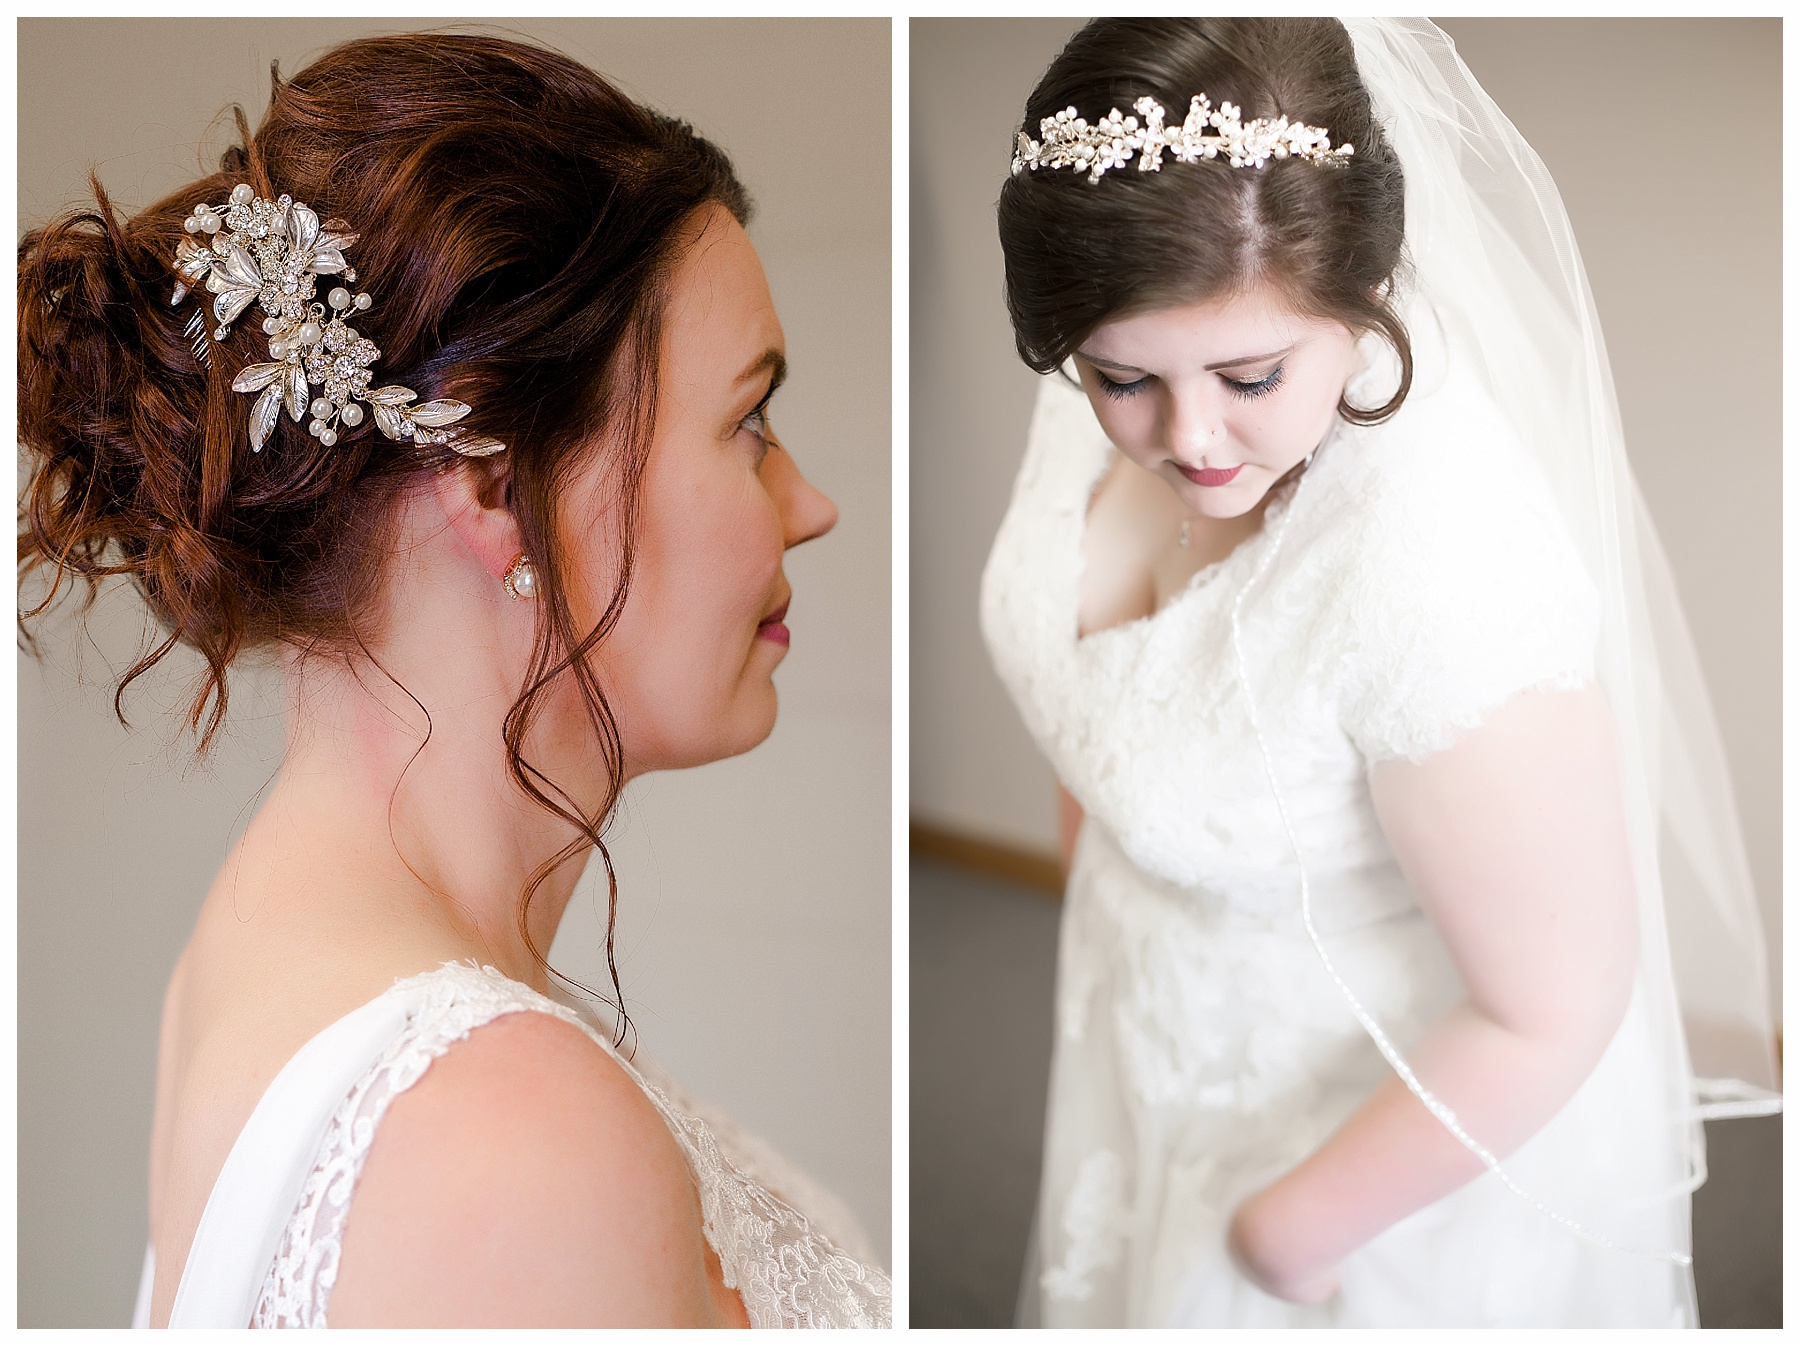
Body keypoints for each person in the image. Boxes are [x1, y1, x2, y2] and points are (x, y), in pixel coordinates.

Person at [18, 33, 890, 1328]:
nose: (809, 504)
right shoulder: (508, 1150)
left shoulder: (260, 939)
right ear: (497, 483)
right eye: (747, 422)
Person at [980, 17, 1778, 1327]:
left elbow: (1556, 1005)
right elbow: (1098, 716)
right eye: (1122, 378)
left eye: (1252, 374)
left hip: (1361, 1163)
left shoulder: (1443, 571)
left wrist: (1282, 1233)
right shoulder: (1112, 372)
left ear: (1363, 297)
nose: (1187, 438)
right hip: (1150, 1041)